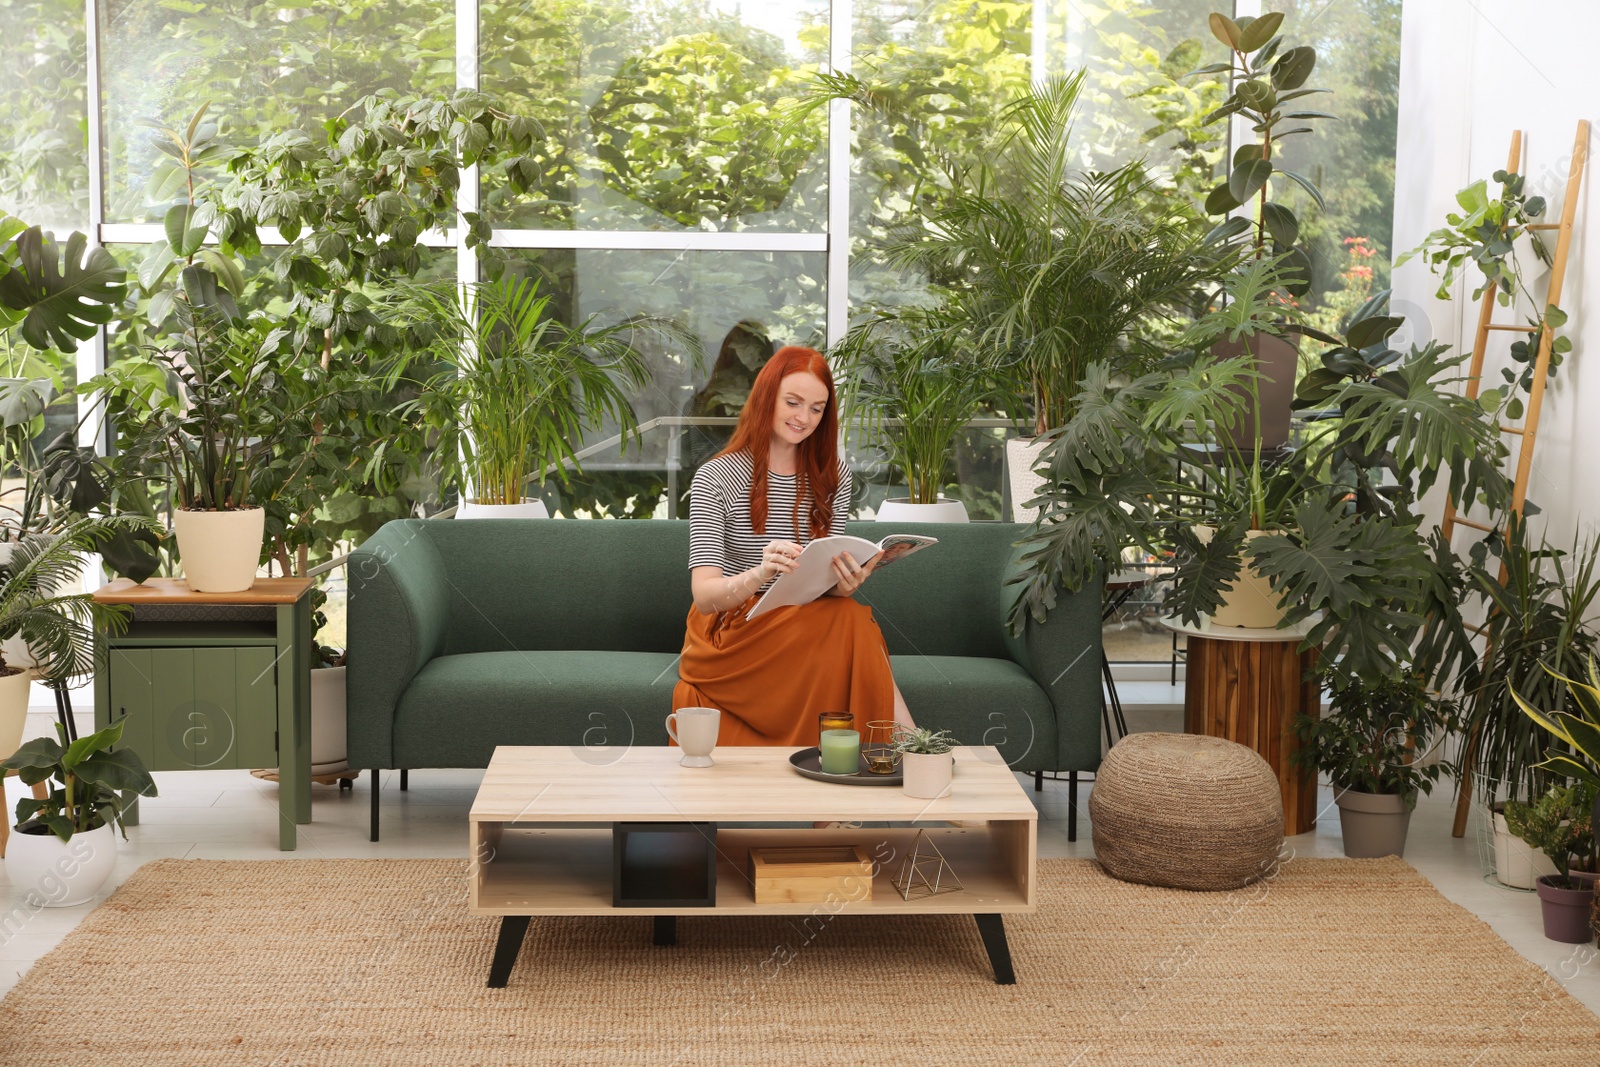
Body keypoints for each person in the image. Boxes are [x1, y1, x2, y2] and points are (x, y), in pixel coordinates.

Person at [672, 345, 916, 746]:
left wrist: (845, 582)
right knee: (849, 622)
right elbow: (704, 597)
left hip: (803, 619)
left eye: (817, 409)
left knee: (846, 611)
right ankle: (911, 746)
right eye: (793, 402)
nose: (804, 418)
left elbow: (825, 585)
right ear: (767, 396)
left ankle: (861, 782)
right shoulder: (716, 477)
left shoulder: (832, 475)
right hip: (734, 631)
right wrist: (762, 572)